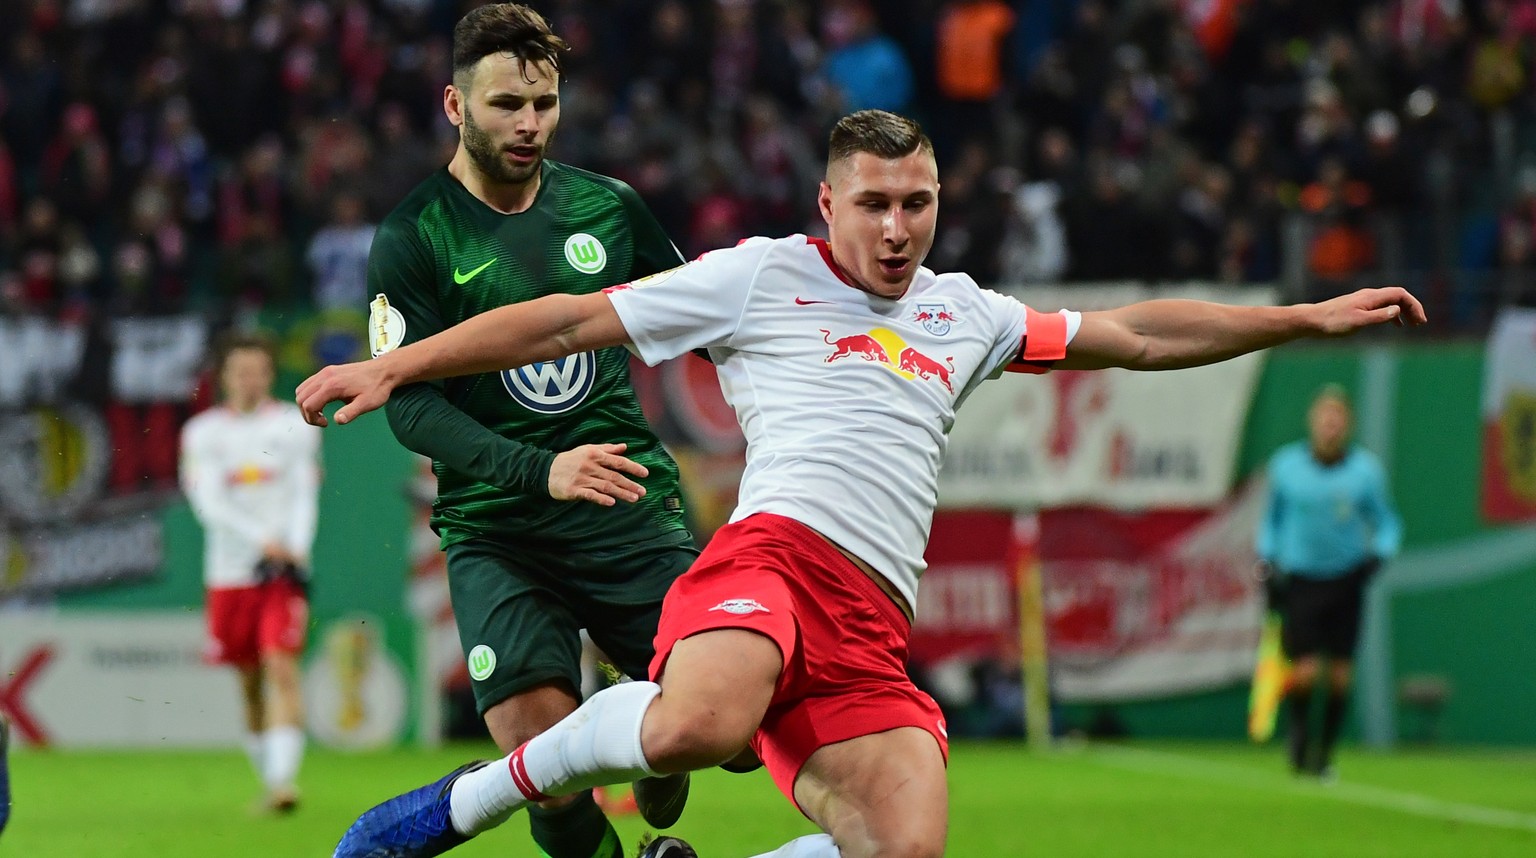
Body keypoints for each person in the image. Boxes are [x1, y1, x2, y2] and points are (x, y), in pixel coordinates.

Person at [298, 110, 1425, 858]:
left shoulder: (966, 313)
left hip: (870, 617)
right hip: (770, 560)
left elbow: (1133, 335)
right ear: (828, 206)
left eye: (917, 203)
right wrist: (400, 361)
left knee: (905, 845)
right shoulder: (757, 278)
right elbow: (569, 316)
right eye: (875, 203)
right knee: (700, 725)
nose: (896, 227)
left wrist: (1303, 316)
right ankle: (456, 809)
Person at [355, 5, 695, 856]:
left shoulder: (608, 208)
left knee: (721, 717)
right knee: (538, 759)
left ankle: (652, 721)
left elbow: (700, 312)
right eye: (507, 103)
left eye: (544, 103)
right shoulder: (413, 236)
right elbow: (411, 405)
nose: (529, 124)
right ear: (454, 105)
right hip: (498, 529)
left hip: (625, 505)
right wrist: (539, 470)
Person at [180, 332, 321, 814]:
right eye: (240, 370)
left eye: (258, 370)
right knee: (248, 681)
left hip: (280, 572)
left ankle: (284, 783)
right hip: (229, 572)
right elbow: (207, 502)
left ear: (269, 374)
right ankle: (269, 776)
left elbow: (304, 492)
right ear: (224, 376)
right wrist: (261, 540)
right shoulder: (202, 433)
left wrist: (296, 548)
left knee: (281, 665)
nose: (249, 379)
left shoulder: (293, 425)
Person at [1257, 384, 1402, 779]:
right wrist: (1267, 561)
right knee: (1303, 671)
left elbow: (1387, 522)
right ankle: (1300, 740)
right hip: (1302, 578)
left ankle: (1325, 751)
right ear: (1313, 421)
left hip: (1345, 580)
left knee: (1339, 676)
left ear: (1348, 425)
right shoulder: (1286, 467)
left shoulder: (1365, 473)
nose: (1330, 425)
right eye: (1325, 416)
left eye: (1338, 418)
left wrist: (1379, 555)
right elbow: (1271, 520)